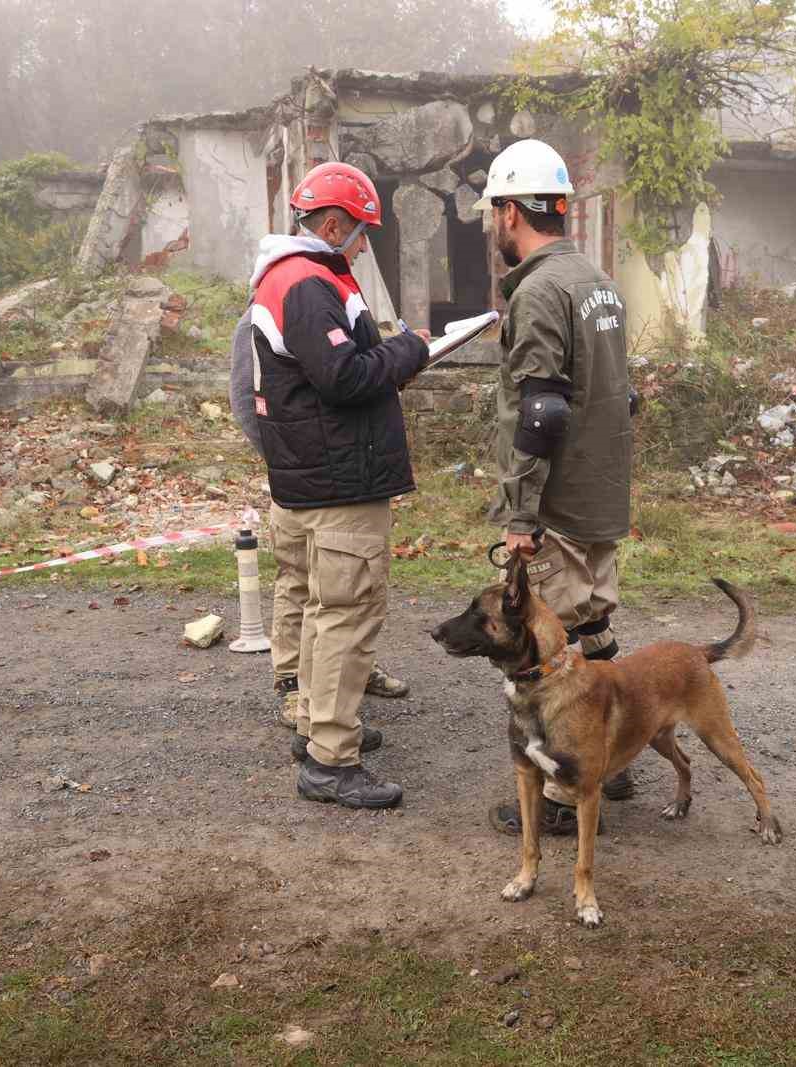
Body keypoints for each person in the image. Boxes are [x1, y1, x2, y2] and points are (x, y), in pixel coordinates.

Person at [245, 161, 429, 810]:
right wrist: (412, 351)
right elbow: (344, 377)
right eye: (359, 234)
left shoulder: (285, 276)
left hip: (308, 478)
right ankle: (331, 759)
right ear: (331, 223)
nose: (361, 245)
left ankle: (321, 726)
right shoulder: (307, 284)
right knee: (346, 616)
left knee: (324, 610)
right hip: (339, 485)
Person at [476, 139, 637, 836]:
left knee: (556, 637)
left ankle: (573, 789)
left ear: (512, 211)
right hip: (602, 492)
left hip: (562, 498)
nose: (493, 226)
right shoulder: (596, 280)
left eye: (494, 212)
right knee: (595, 625)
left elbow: (540, 411)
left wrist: (521, 513)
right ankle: (613, 759)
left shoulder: (540, 290)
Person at [231, 313, 414, 733]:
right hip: (302, 475)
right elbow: (244, 399)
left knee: (340, 591)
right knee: (300, 580)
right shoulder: (266, 312)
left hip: (338, 474)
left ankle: (346, 675)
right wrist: (288, 458)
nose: (364, 248)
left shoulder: (337, 298)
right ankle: (293, 686)